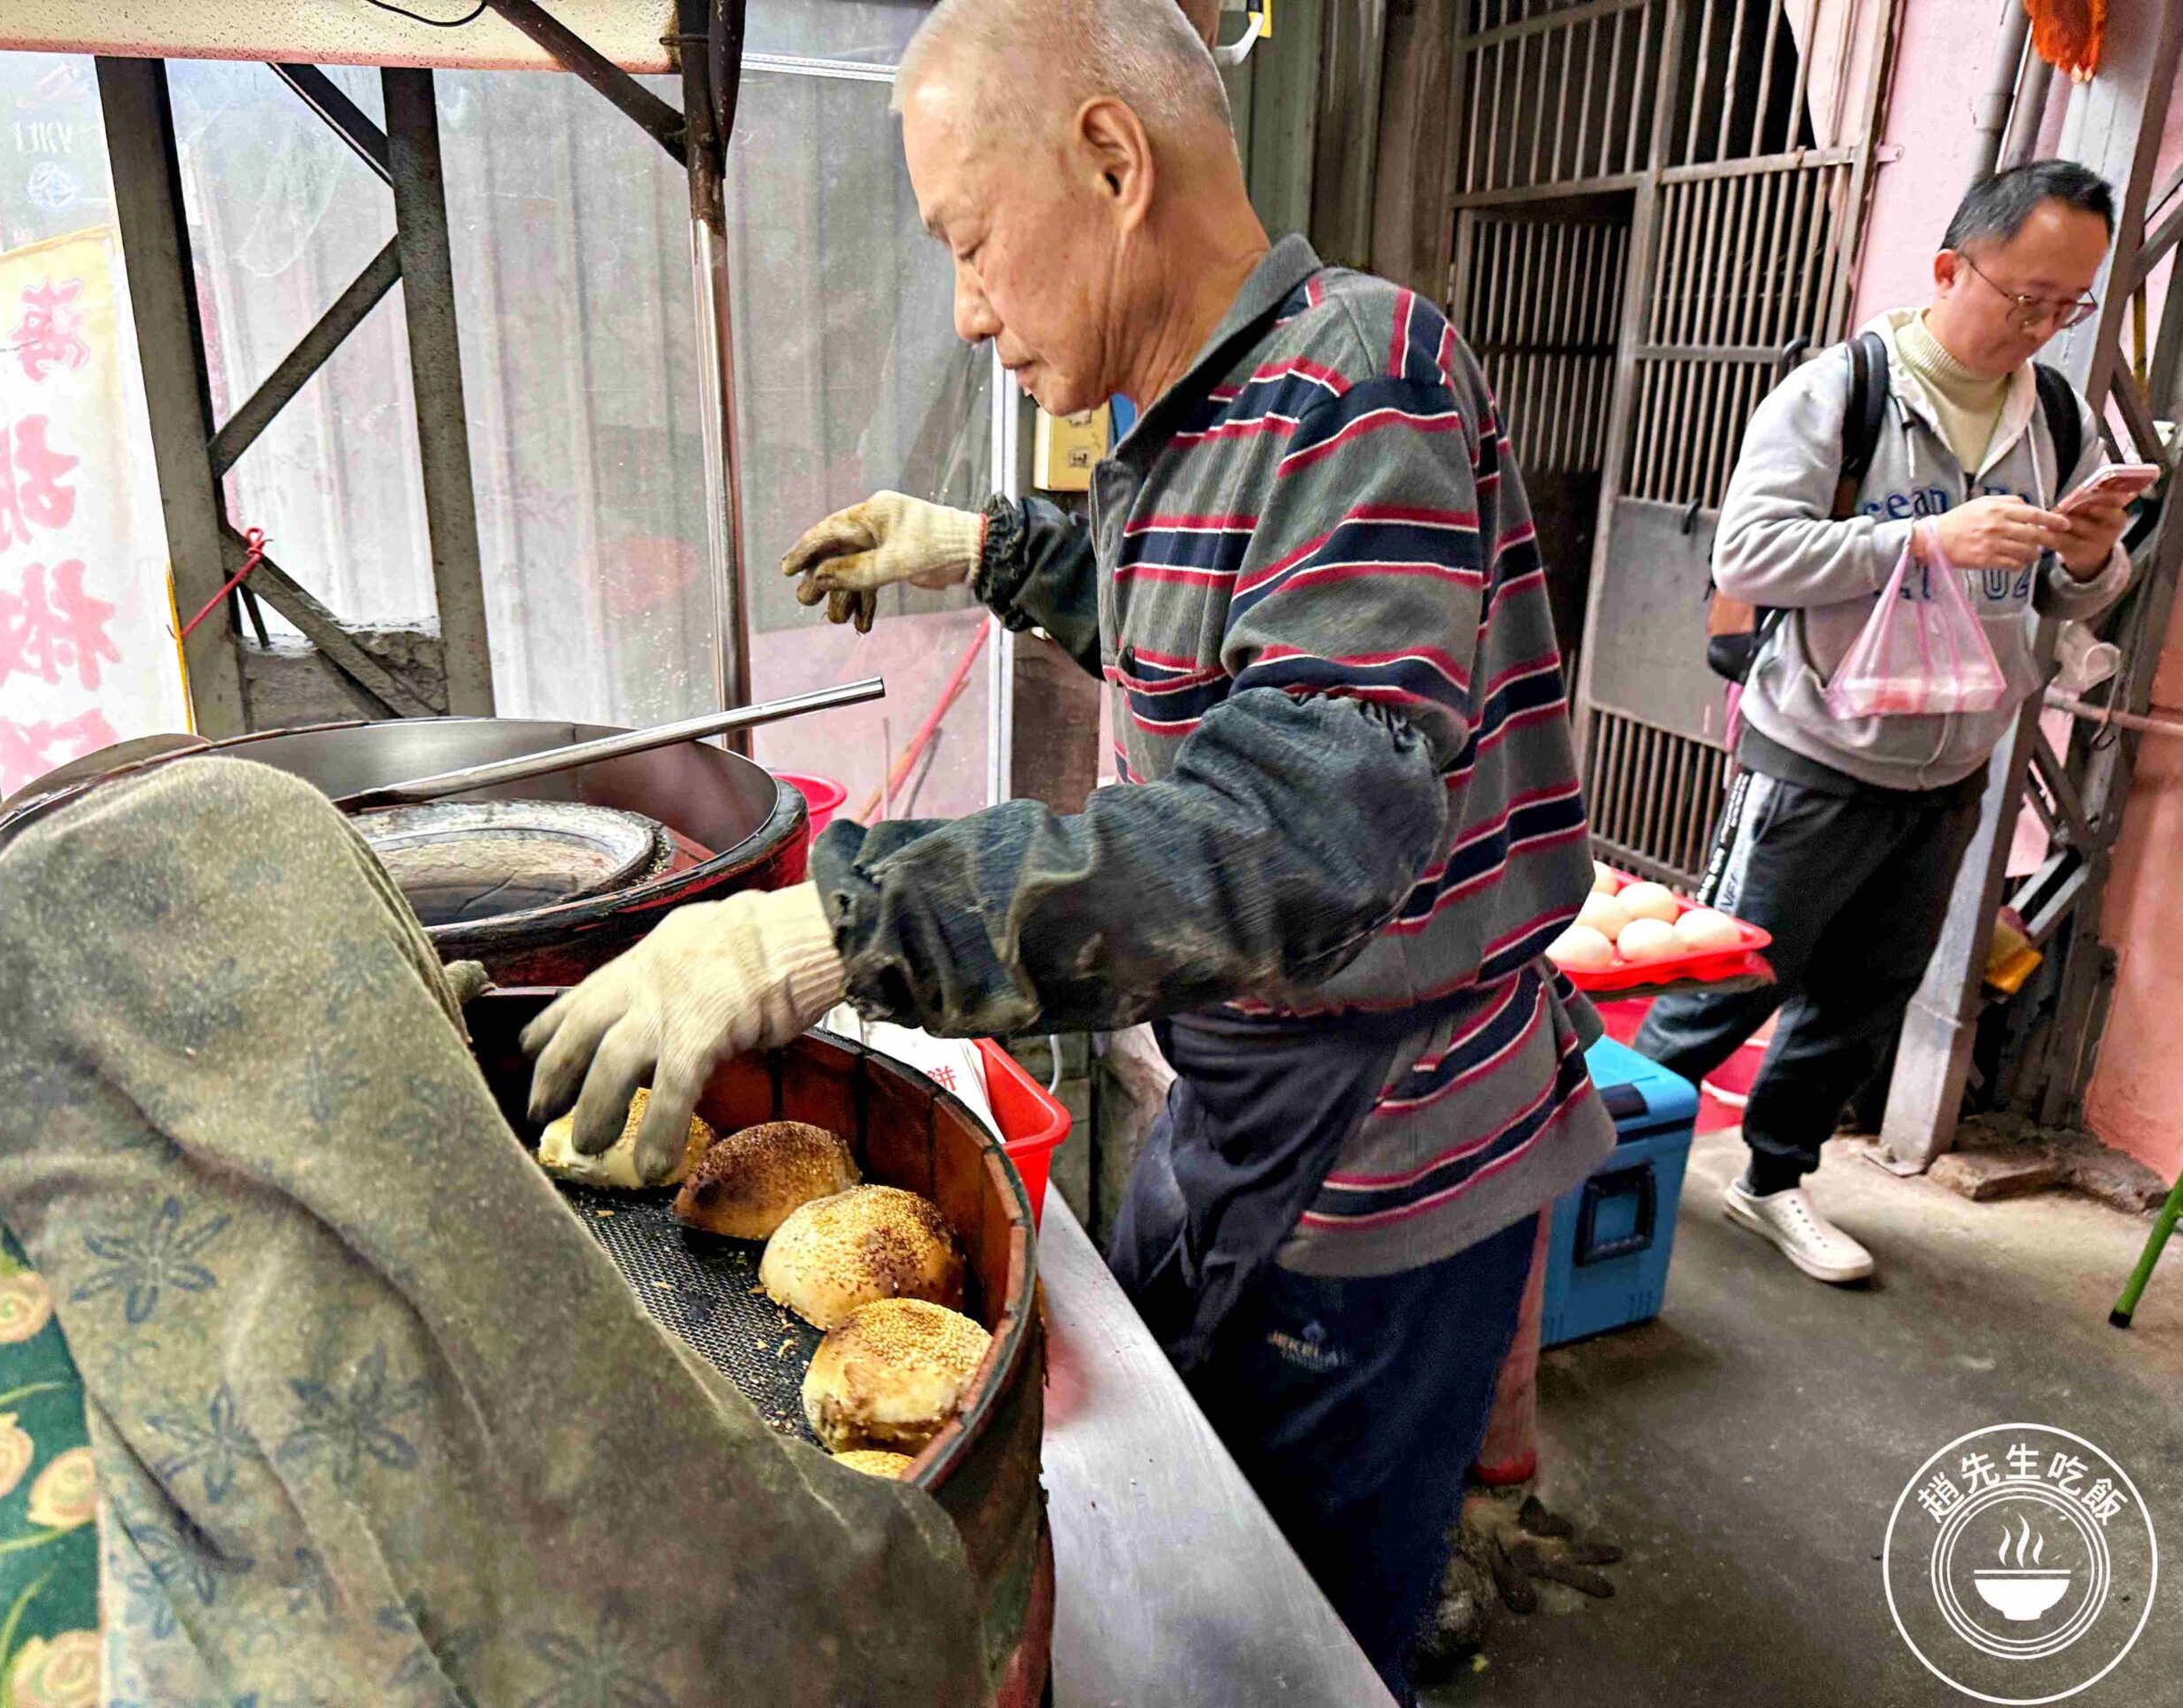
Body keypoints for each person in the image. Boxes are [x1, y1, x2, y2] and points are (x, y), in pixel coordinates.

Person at [522, 0, 1614, 1694]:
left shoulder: (1358, 385)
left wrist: (826, 928)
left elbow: (1300, 824)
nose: (967, 310)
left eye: (969, 244)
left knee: (1298, 1621)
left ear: (1112, 159)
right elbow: (1205, 627)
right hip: (1251, 1087)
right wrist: (988, 547)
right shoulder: (1208, 412)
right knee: (1218, 1509)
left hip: (1377, 1145)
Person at [1634, 160, 2135, 1285]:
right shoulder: (1840, 392)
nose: (2045, 326)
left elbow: (2069, 594)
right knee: (1726, 979)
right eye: (2026, 299)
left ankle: (1771, 1180)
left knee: (1864, 998)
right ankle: (1610, 1168)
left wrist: (2093, 547)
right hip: (1813, 752)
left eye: (2070, 306)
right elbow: (1747, 554)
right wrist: (1920, 541)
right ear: (1952, 266)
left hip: (1954, 762)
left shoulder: (2051, 412)